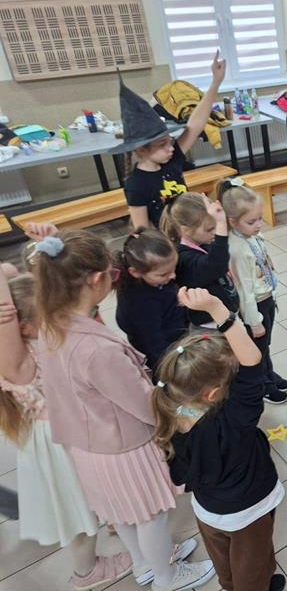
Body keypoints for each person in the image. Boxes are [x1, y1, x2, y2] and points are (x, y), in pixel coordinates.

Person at [33, 230, 213, 591]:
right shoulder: (97, 351)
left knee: (124, 513)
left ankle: (145, 564)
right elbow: (145, 404)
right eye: (112, 274)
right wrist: (191, 415)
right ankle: (166, 576)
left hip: (88, 443)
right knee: (150, 514)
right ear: (96, 279)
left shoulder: (52, 325)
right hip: (124, 448)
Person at [0, 265, 129, 591]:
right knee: (77, 510)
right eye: (51, 315)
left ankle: (113, 522)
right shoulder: (18, 364)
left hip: (65, 435)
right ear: (22, 326)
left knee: (90, 497)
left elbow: (11, 273)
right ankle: (87, 572)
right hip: (58, 444)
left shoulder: (35, 340)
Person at [152, 287, 286, 591]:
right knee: (253, 567)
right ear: (213, 394)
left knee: (224, 561)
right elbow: (253, 361)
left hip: (208, 510)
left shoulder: (168, 410)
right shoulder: (233, 421)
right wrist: (217, 309)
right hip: (249, 510)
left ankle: (230, 585)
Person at [123, 52, 226, 229]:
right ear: (142, 149)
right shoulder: (136, 184)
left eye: (170, 141)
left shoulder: (172, 160)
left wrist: (215, 83)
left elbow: (195, 124)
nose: (171, 148)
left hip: (191, 233)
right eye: (162, 145)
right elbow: (142, 229)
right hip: (170, 242)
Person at [219, 179, 287, 405]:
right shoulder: (237, 249)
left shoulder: (252, 236)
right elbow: (244, 291)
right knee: (257, 347)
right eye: (252, 221)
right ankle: (264, 386)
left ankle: (269, 373)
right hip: (254, 306)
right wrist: (254, 321)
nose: (259, 224)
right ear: (232, 221)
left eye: (260, 218)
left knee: (265, 343)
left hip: (266, 298)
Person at [162, 192, 239, 329]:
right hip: (211, 325)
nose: (216, 232)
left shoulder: (202, 242)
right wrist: (221, 225)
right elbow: (216, 265)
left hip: (225, 314)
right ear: (185, 230)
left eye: (216, 226)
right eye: (210, 229)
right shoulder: (183, 259)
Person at [114, 228, 186, 373]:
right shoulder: (138, 304)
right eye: (164, 274)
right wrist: (171, 368)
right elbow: (153, 343)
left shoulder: (156, 278)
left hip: (175, 330)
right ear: (135, 272)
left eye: (174, 269)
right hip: (162, 350)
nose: (173, 276)